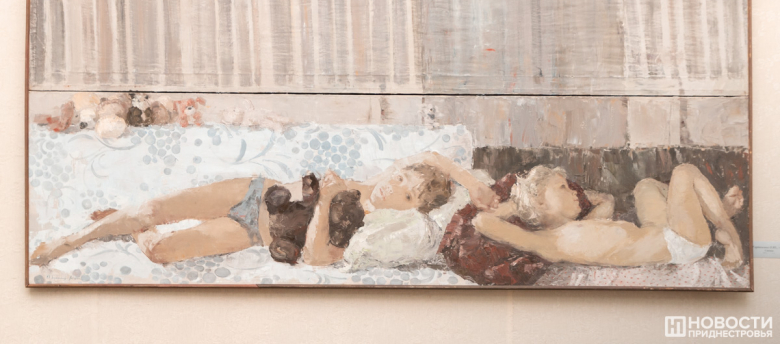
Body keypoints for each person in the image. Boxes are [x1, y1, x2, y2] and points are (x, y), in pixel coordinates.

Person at [30, 151, 499, 267]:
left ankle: (128, 225)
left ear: (413, 209)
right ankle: (69, 241)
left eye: (408, 194)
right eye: (400, 177)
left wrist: (328, 201)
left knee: (159, 251)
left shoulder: (377, 229)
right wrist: (474, 183)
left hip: (256, 234)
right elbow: (433, 158)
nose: (394, 187)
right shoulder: (377, 183)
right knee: (154, 208)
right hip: (255, 192)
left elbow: (316, 258)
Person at [473, 163, 745, 269]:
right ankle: (731, 239)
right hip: (680, 243)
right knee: (684, 172)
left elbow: (606, 200)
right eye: (562, 188)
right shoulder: (549, 242)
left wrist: (569, 196)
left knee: (645, 186)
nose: (573, 192)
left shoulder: (580, 227)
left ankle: (712, 212)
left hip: (661, 231)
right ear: (541, 201)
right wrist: (519, 204)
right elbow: (481, 221)